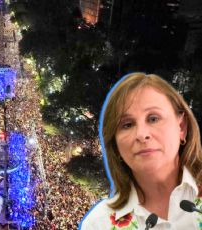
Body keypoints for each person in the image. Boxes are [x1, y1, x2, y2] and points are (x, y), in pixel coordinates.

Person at [80, 73, 202, 229]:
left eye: (153, 118)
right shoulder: (98, 224)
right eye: (127, 124)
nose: (141, 135)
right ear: (115, 145)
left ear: (182, 128)